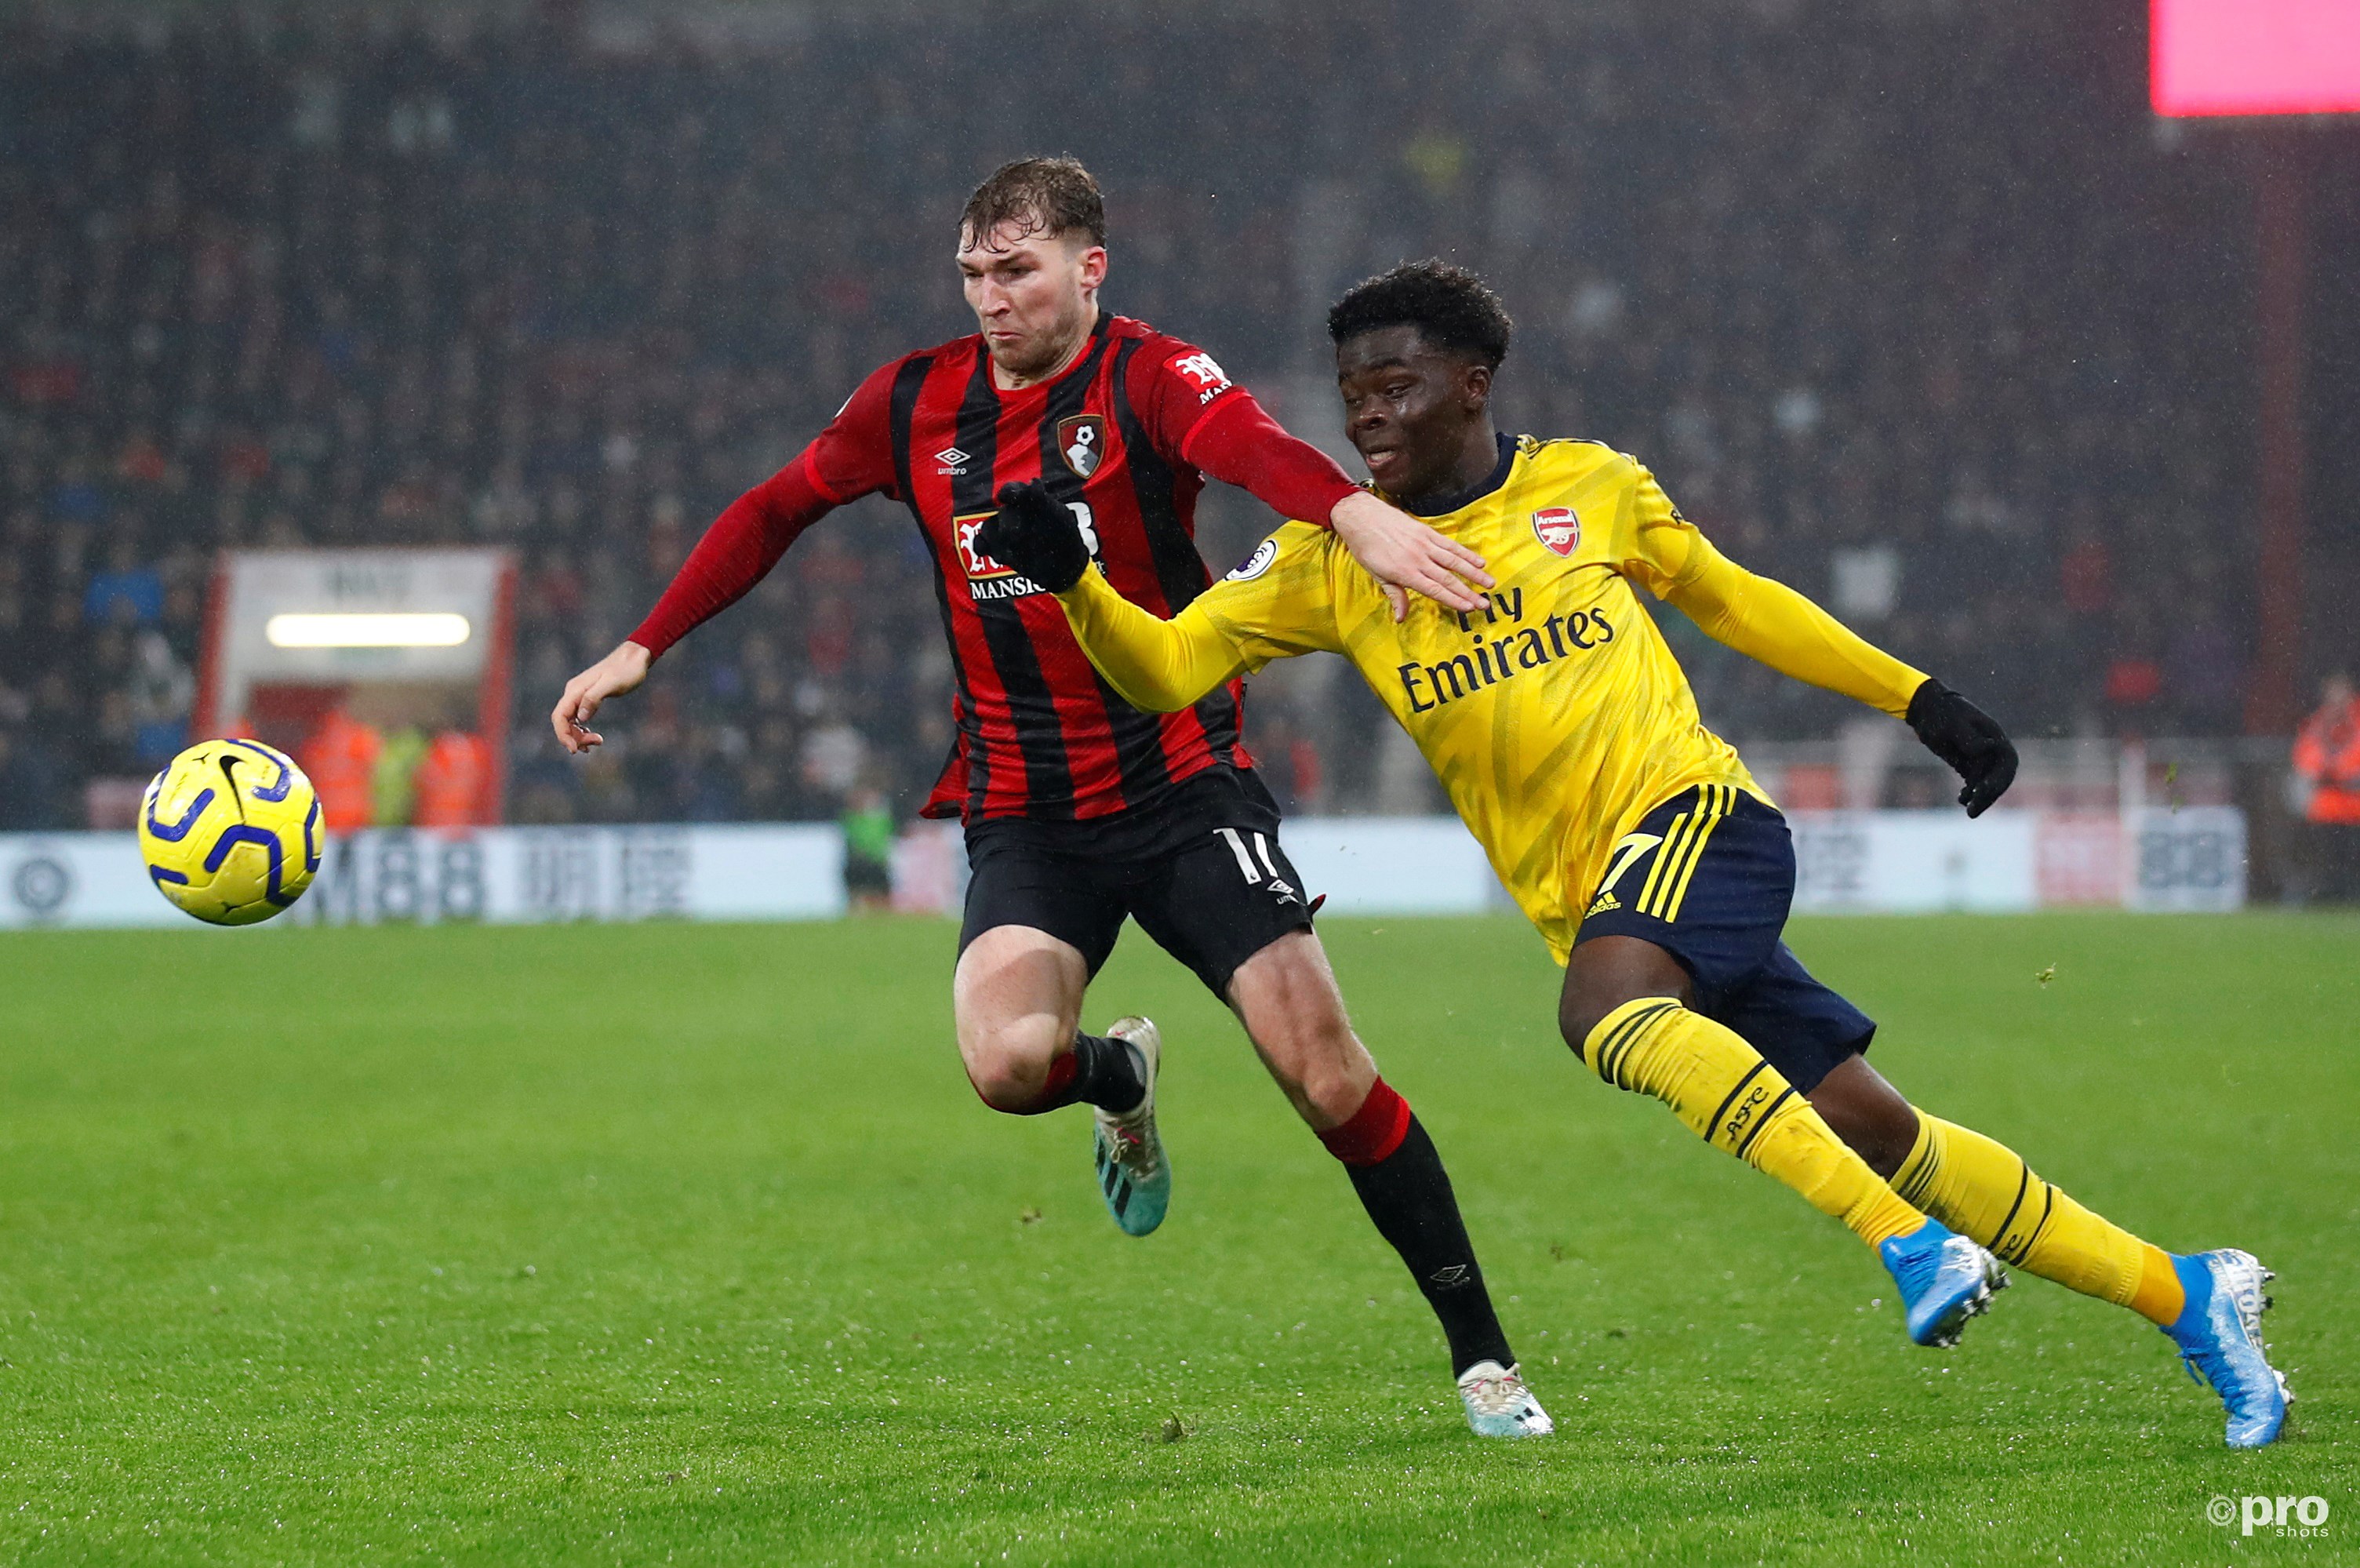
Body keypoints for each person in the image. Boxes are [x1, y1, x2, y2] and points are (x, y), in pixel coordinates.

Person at [984, 260, 2292, 1448]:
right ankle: (2186, 1292)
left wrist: (1917, 699)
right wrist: (1078, 586)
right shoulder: (1329, 561)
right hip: (1604, 898)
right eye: (1349, 393)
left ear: (1471, 384)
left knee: (1601, 1009)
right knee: (1874, 1123)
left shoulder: (1585, 487)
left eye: (1396, 385)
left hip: (1699, 825)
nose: (1365, 414)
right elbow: (1162, 670)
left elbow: (1736, 599)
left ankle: (1909, 1247)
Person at [551, 164, 1547, 1436]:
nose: (989, 297)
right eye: (973, 273)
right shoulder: (912, 403)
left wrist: (1352, 513)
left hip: (1183, 782)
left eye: (1014, 270)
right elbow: (775, 504)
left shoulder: (1149, 376)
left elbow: (1247, 447)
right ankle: (1117, 1076)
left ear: (1088, 267)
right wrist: (648, 640)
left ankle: (1482, 1357)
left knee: (1323, 1072)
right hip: (1024, 809)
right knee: (1007, 1063)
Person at [2292, 672, 2360, 903]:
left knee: (2350, 859)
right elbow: (2306, 760)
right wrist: (2334, 772)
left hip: (2354, 806)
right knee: (2325, 858)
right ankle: (2328, 892)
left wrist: (2336, 772)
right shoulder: (2318, 723)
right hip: (2325, 807)